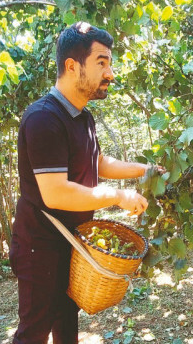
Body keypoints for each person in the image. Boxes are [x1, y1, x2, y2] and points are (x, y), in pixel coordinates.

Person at [10, 22, 151, 344]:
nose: (110, 73)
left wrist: (148, 170)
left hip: (72, 242)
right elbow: (56, 193)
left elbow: (97, 163)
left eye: (109, 63)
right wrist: (117, 196)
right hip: (40, 246)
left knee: (66, 327)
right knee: (33, 333)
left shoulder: (82, 117)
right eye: (102, 62)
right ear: (72, 66)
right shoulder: (43, 118)